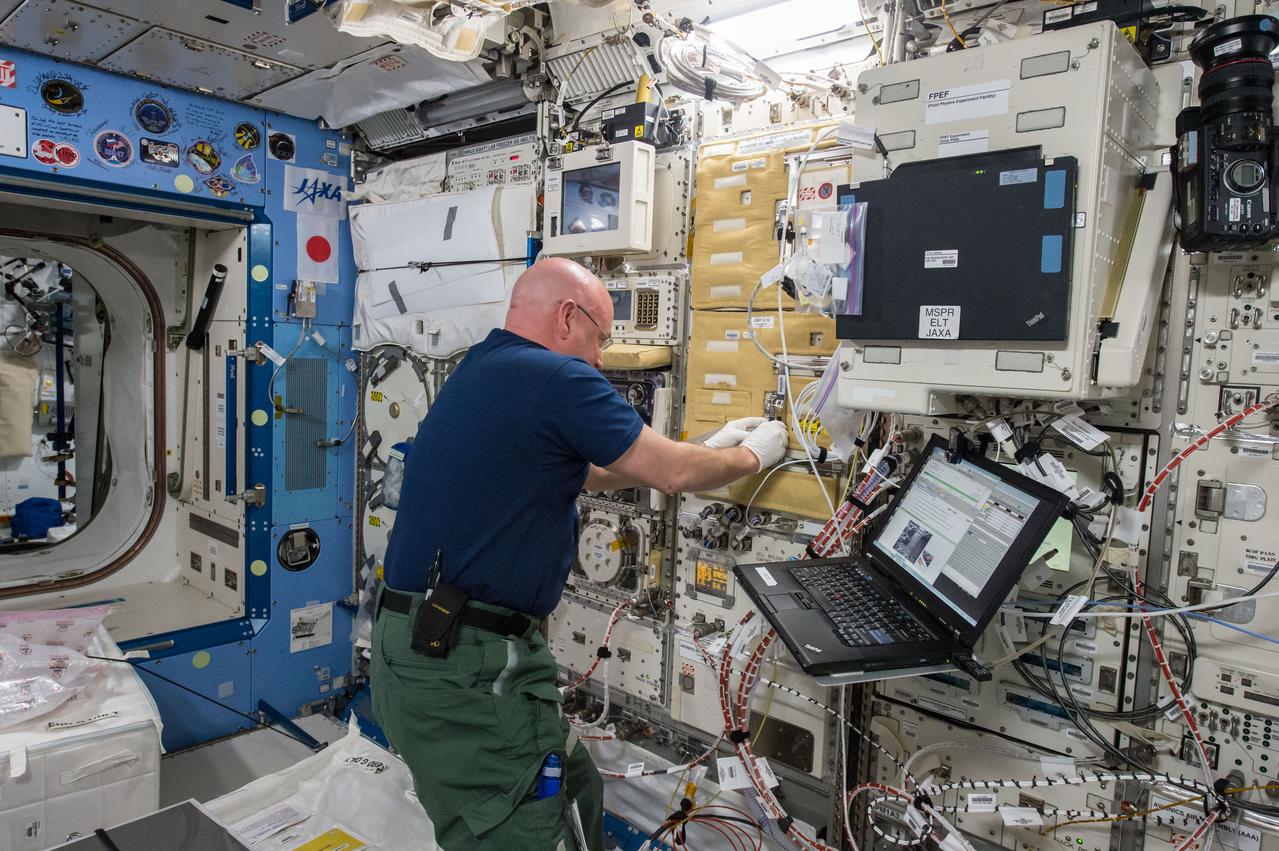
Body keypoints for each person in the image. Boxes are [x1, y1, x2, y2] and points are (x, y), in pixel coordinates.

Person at [372, 258, 789, 851]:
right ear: (568, 317)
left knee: (576, 785)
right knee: (526, 832)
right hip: (466, 667)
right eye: (601, 338)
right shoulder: (557, 378)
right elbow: (669, 475)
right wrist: (753, 456)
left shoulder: (484, 367)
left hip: (422, 648)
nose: (600, 357)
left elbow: (577, 470)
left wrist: (699, 447)